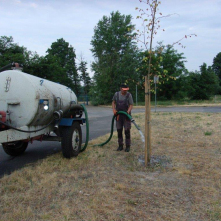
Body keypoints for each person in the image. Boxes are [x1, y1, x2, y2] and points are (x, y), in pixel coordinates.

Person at [112, 83, 134, 152]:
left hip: (126, 116)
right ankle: (120, 145)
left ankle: (128, 146)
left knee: (127, 131)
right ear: (121, 89)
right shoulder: (116, 94)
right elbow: (113, 102)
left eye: (126, 90)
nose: (125, 91)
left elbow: (131, 105)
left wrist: (128, 111)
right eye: (124, 90)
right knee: (119, 130)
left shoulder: (129, 95)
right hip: (119, 115)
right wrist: (114, 109)